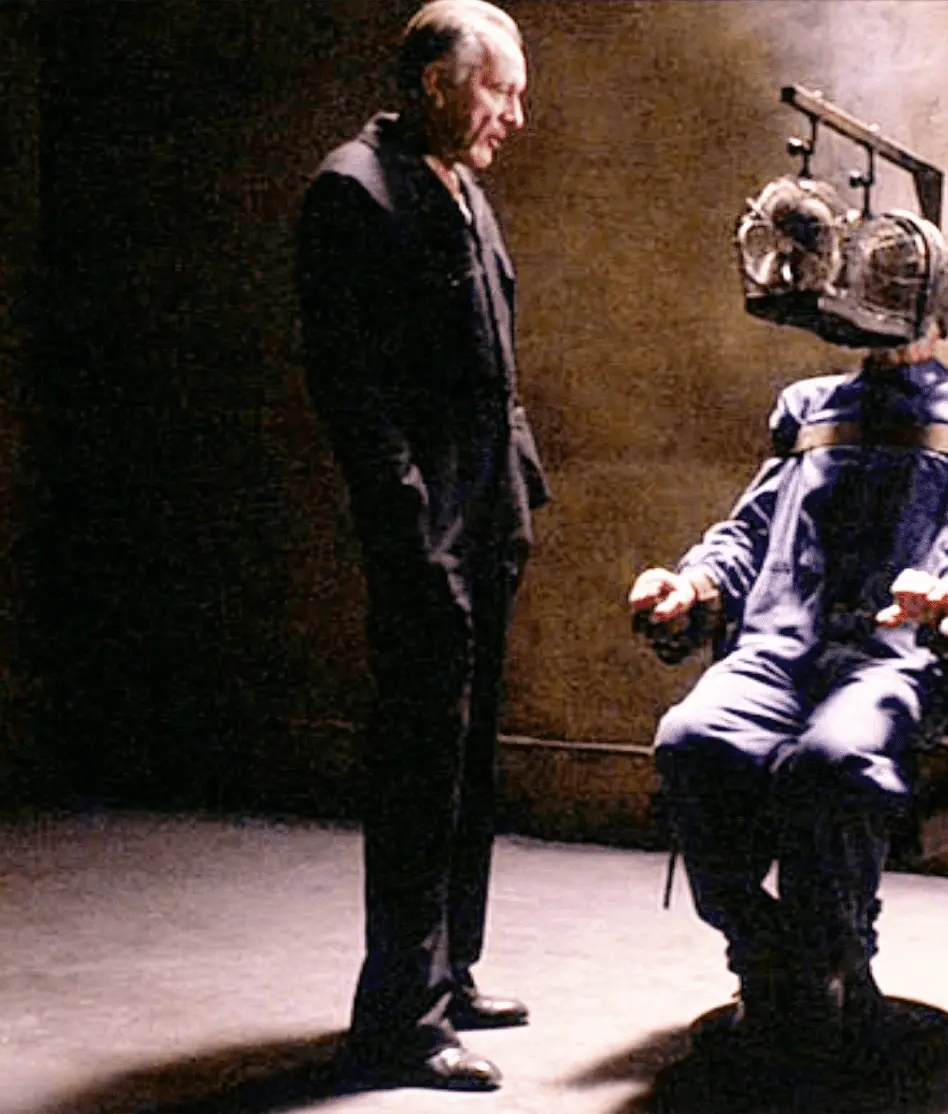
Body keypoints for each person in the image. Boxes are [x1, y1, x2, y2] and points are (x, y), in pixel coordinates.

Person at [628, 192, 948, 1058]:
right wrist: (691, 585)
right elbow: (748, 531)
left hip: (890, 659)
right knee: (691, 740)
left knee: (832, 761)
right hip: (778, 652)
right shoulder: (810, 406)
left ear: (933, 303)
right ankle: (762, 953)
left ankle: (839, 970)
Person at [296, 0, 548, 1092]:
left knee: (467, 754)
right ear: (439, 82)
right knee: (417, 769)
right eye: (501, 91)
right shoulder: (352, 191)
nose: (515, 117)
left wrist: (518, 487)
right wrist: (409, 530)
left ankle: (453, 971)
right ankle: (399, 1016)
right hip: (425, 532)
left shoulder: (458, 184)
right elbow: (349, 387)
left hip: (487, 517)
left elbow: (492, 354)